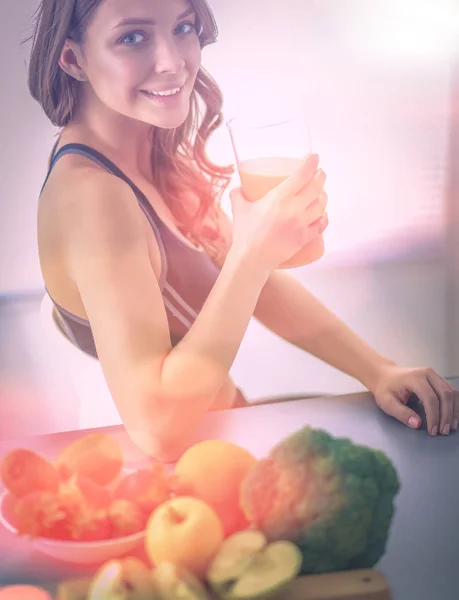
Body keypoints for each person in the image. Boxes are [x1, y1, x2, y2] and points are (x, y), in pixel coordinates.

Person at [26, 0, 457, 461]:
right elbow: (159, 431)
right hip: (180, 477)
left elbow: (253, 280)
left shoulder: (148, 148)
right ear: (72, 58)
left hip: (225, 432)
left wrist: (378, 370)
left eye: (184, 27)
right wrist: (252, 254)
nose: (173, 62)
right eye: (132, 37)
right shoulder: (94, 199)